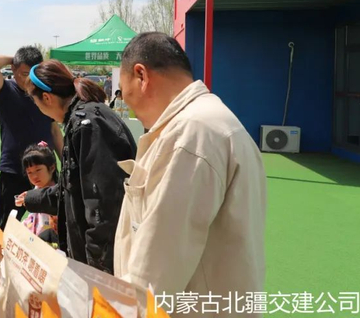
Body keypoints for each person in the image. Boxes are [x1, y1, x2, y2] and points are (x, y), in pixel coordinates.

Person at [113, 32, 266, 307]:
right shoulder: (214, 120)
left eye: (126, 94)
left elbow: (155, 271)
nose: (131, 109)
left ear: (141, 76)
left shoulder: (189, 134)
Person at [18, 59, 136, 273]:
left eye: (36, 104)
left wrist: (95, 270)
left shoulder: (88, 125)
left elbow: (102, 206)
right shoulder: (81, 119)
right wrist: (33, 198)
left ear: (47, 98)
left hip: (105, 265)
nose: (39, 110)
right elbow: (72, 192)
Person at [0, 47, 63, 230]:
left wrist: (66, 161)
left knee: (54, 225)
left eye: (32, 73)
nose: (28, 79)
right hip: (13, 170)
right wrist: (15, 59)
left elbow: (54, 131)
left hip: (46, 171)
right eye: (23, 73)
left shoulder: (45, 93)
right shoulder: (5, 90)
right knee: (8, 226)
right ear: (13, 69)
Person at [17, 142, 58, 243]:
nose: (34, 176)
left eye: (38, 170)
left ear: (52, 168)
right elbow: (33, 218)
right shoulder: (36, 189)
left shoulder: (56, 196)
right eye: (29, 172)